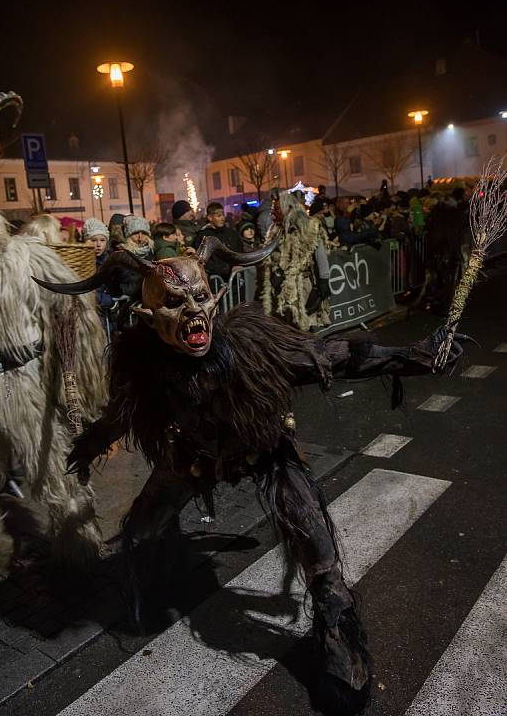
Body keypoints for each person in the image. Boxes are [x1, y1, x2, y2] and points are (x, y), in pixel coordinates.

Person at [38, 238, 468, 716]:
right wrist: (92, 442)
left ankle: (338, 645)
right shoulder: (144, 365)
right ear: (148, 313)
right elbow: (123, 412)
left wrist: (415, 355)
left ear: (215, 297)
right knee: (141, 530)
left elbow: (336, 356)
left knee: (318, 552)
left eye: (201, 298)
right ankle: (160, 577)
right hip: (190, 457)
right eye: (177, 303)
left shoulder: (250, 345)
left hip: (263, 451)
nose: (194, 314)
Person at [0, 194, 106, 588]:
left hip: (22, 384)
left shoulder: (26, 257)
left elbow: (74, 309)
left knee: (50, 466)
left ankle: (78, 548)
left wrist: (79, 378)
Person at [262, 192, 332, 332]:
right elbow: (268, 256)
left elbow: (320, 255)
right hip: (282, 287)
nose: (273, 213)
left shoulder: (309, 226)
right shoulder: (274, 230)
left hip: (304, 285)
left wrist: (324, 280)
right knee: (288, 327)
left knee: (304, 326)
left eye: (276, 209)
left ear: (287, 208)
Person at [83, 218, 120, 336]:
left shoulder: (111, 259)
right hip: (95, 314)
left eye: (102, 240)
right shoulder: (83, 263)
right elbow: (88, 290)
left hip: (110, 316)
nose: (98, 245)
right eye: (93, 240)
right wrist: (108, 300)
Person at [193, 202, 243, 280]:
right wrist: (224, 269)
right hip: (216, 280)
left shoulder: (232, 233)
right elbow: (202, 260)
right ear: (210, 217)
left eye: (223, 214)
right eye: (219, 216)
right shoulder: (202, 236)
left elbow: (239, 251)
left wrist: (237, 264)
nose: (222, 218)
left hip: (235, 278)